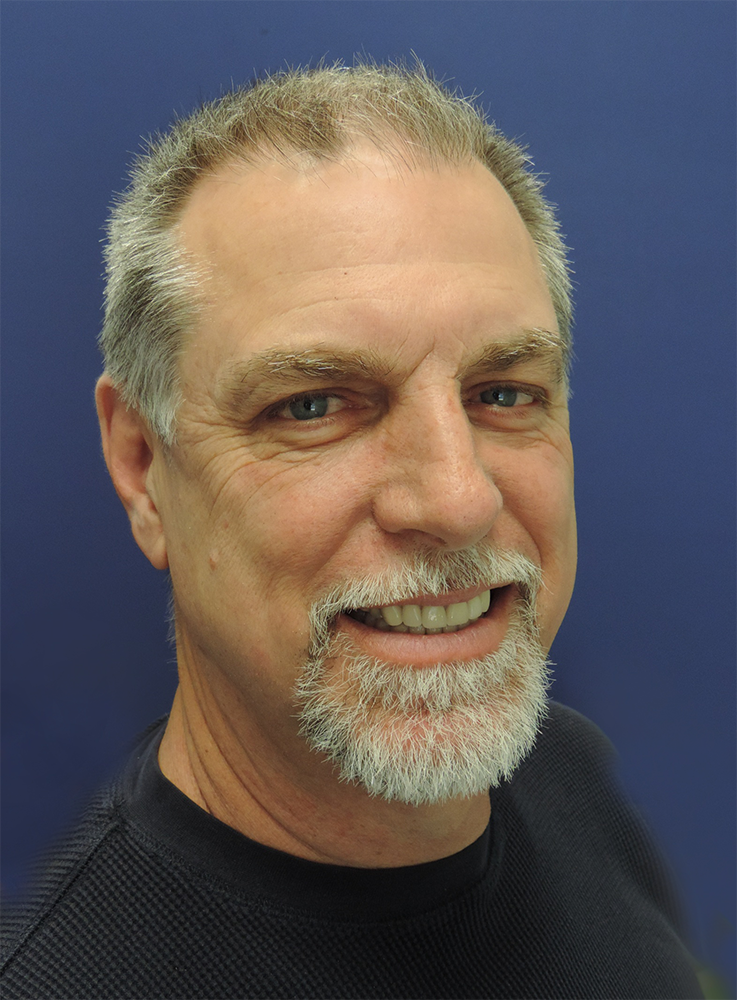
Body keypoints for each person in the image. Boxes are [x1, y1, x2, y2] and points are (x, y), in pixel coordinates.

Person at [0, 62, 704, 998]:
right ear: (142, 468)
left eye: (502, 394)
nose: (458, 500)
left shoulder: (588, 790)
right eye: (314, 405)